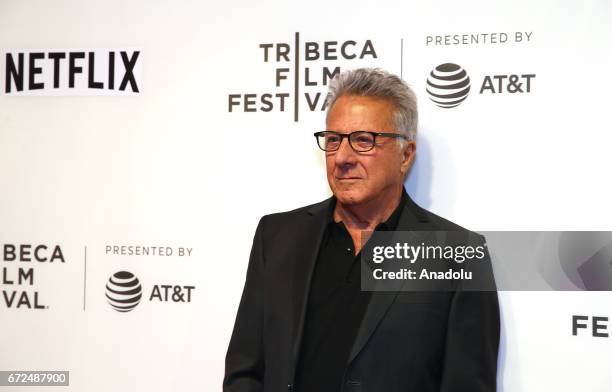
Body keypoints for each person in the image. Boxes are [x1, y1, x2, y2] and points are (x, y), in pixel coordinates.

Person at [223, 68, 500, 392]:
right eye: (333, 140)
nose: (342, 157)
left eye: (363, 141)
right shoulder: (277, 237)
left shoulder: (457, 254)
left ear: (405, 155)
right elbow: (245, 371)